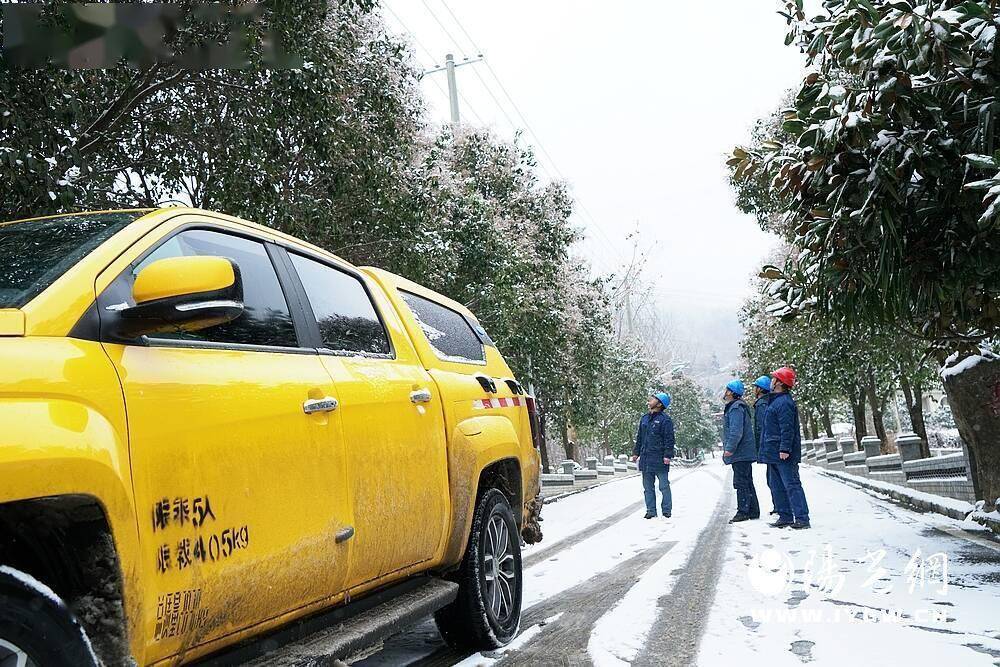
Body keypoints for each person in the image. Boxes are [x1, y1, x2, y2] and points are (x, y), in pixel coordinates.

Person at [758, 367, 811, 529]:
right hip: (772, 452)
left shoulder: (784, 403)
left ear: (780, 383)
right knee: (777, 485)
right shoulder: (775, 400)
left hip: (782, 452)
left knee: (792, 485)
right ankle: (785, 516)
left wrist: (785, 449)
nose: (771, 381)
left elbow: (787, 428)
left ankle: (802, 518)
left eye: (774, 378)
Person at [631, 392, 675, 519]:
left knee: (663, 486)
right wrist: (636, 452)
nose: (650, 400)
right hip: (646, 458)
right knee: (647, 487)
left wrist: (667, 455)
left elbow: (669, 439)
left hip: (660, 458)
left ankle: (666, 510)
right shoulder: (644, 418)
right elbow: (640, 437)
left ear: (660, 404)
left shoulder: (665, 420)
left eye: (654, 399)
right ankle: (651, 511)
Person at [722, 380, 760, 523]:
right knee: (747, 480)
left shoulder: (736, 408)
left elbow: (736, 431)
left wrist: (730, 448)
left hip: (740, 452)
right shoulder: (737, 407)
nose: (725, 392)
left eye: (727, 389)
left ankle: (743, 511)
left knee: (741, 482)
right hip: (743, 451)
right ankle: (753, 510)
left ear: (732, 392)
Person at [752, 375, 777, 516]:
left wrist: (761, 447)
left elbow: (762, 427)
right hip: (771, 444)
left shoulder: (762, 404)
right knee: (773, 477)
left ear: (760, 389)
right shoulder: (769, 401)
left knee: (773, 478)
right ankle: (779, 505)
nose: (754, 389)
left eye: (756, 387)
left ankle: (780, 505)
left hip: (768, 444)